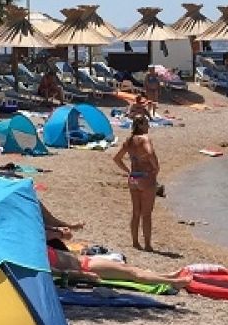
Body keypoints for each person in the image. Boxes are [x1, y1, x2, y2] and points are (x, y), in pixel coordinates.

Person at [45, 246, 192, 290]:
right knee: (131, 273)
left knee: (128, 268)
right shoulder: (39, 261)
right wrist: (84, 275)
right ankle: (172, 282)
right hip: (87, 266)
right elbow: (58, 272)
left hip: (86, 261)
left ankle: (167, 276)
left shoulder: (36, 248)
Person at [113, 115, 160, 251]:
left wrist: (128, 170)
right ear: (140, 125)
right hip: (146, 178)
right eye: (146, 123)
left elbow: (117, 158)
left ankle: (135, 242)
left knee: (135, 212)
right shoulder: (145, 139)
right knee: (146, 214)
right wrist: (155, 167)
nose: (148, 126)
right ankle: (148, 245)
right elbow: (150, 153)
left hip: (133, 178)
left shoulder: (129, 140)